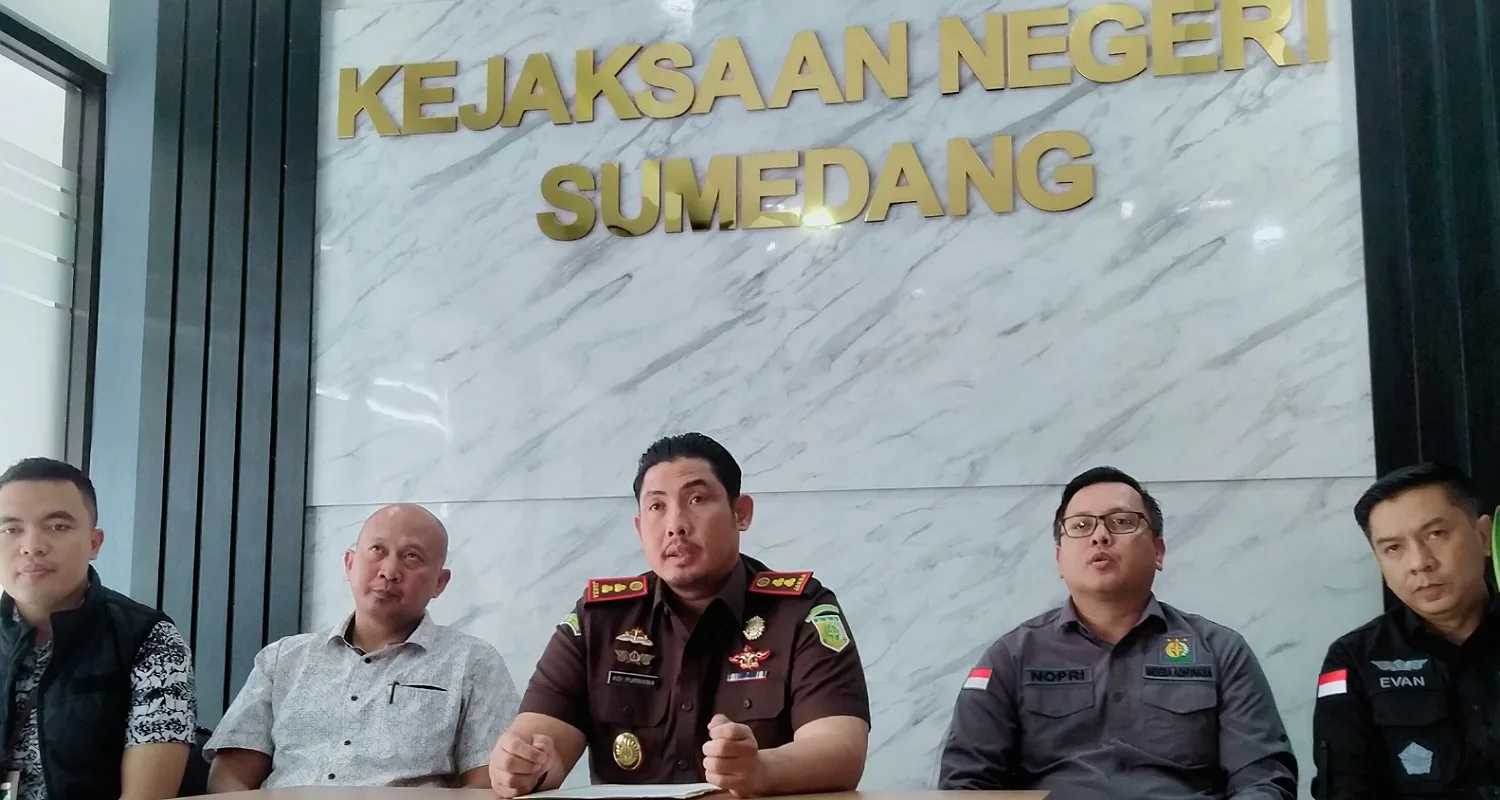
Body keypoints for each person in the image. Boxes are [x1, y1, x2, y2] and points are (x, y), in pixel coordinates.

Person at [488, 432, 871, 798]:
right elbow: (540, 738)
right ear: (640, 527)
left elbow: (840, 749)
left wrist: (762, 770)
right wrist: (523, 766)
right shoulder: (600, 619)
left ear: (741, 513)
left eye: (697, 499)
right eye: (657, 507)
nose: (676, 526)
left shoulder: (800, 611)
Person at [937, 466, 1298, 799]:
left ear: (1158, 551)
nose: (1100, 536)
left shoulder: (1220, 651)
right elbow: (967, 783)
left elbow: (1263, 778)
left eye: (1121, 521)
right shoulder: (1012, 657)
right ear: (1059, 558)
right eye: (1081, 525)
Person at [204, 503, 520, 791]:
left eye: (412, 556)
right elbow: (232, 776)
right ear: (349, 563)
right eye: (377, 550)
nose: (389, 571)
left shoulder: (473, 663)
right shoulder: (282, 659)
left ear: (440, 582)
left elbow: (487, 784)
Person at [0, 457, 196, 800]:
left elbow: (145, 798)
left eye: (57, 526)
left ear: (94, 543)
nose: (31, 545)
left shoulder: (149, 639)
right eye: (10, 529)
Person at [1311, 462, 1499, 798]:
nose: (1419, 562)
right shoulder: (1353, 659)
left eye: (1435, 534)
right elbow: (1344, 788)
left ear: (1483, 536)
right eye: (1393, 548)